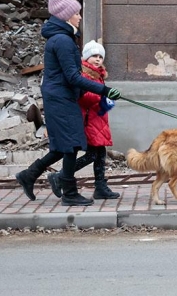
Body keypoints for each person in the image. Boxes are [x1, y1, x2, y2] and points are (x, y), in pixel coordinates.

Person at [15, 0, 121, 206]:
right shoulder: (62, 40)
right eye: (76, 13)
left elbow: (70, 77)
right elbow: (73, 76)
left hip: (62, 97)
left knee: (62, 146)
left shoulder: (62, 38)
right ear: (66, 16)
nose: (79, 17)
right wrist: (104, 90)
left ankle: (29, 175)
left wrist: (97, 94)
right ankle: (69, 193)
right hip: (61, 99)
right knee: (72, 145)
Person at [47, 40, 121, 200]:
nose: (98, 59)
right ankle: (60, 176)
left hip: (97, 119)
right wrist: (103, 95)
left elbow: (100, 100)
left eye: (100, 57)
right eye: (94, 56)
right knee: (92, 154)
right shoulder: (83, 74)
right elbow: (84, 97)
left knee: (100, 153)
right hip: (87, 120)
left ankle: (100, 186)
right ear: (86, 57)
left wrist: (108, 100)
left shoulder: (99, 75)